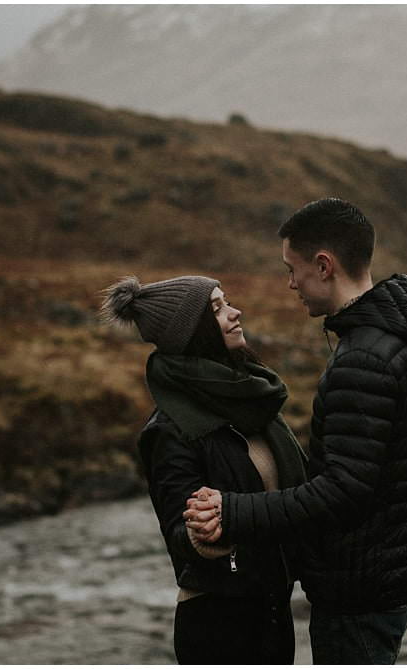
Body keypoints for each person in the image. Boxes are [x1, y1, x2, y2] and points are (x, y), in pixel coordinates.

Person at [184, 198, 407, 664]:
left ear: (324, 266)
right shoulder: (402, 336)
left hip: (359, 586)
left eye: (292, 268)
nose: (290, 283)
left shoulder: (363, 358)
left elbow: (343, 491)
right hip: (390, 573)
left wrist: (232, 511)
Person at [100, 274, 307, 665]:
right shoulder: (170, 430)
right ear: (193, 332)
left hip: (273, 610)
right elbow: (178, 529)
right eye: (217, 308)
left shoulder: (250, 399)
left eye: (226, 302)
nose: (234, 312)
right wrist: (204, 534)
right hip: (219, 622)